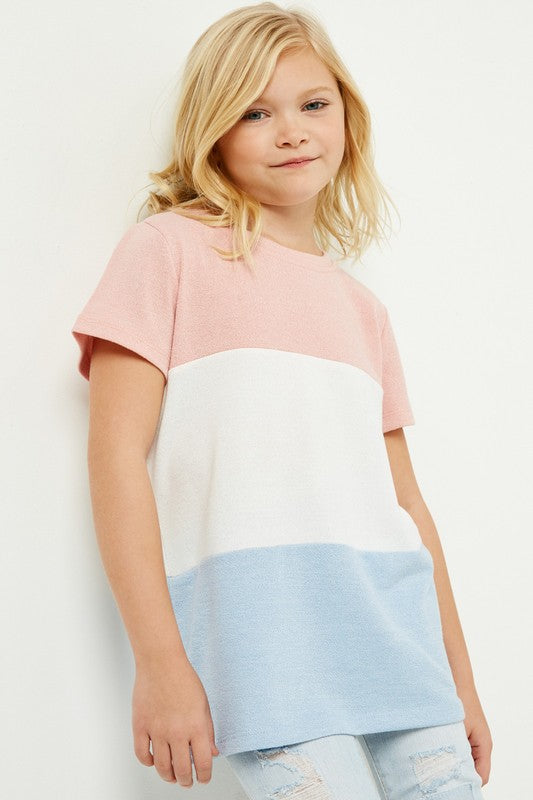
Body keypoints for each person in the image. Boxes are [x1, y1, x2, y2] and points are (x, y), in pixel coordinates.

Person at [71, 2, 492, 797]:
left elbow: (406, 505)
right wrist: (159, 662)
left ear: (346, 116)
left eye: (313, 104)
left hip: (398, 647)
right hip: (260, 651)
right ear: (213, 133)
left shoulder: (362, 310)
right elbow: (115, 456)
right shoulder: (166, 253)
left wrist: (458, 683)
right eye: (254, 112)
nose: (292, 132)